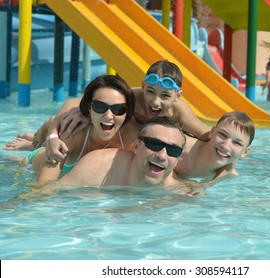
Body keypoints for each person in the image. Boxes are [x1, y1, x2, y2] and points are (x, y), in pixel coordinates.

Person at [4, 60, 211, 161]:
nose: (155, 102)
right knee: (59, 120)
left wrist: (228, 162)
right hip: (114, 128)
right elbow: (71, 102)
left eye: (165, 96)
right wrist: (51, 136)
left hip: (126, 136)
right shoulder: (133, 96)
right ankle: (33, 142)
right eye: (150, 92)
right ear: (143, 86)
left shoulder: (181, 113)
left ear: (178, 96)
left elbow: (210, 136)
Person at [19, 74, 135, 186]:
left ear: (127, 112)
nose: (109, 116)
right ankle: (45, 130)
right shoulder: (73, 133)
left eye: (118, 109)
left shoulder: (133, 139)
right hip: (31, 167)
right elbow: (43, 186)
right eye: (100, 106)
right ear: (89, 108)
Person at [43, 116, 195, 190]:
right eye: (154, 144)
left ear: (178, 158)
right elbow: (47, 194)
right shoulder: (98, 166)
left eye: (173, 150)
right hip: (43, 159)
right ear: (136, 146)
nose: (162, 156)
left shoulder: (183, 192)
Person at [175, 111, 255, 181]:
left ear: (245, 152)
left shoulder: (229, 178)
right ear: (212, 132)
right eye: (222, 134)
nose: (225, 146)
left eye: (237, 143)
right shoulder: (179, 147)